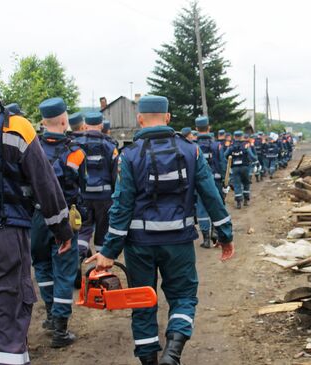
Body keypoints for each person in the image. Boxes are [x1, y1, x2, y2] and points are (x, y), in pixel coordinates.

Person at [86, 95, 235, 365]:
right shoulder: (192, 151)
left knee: (142, 302)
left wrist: (108, 251)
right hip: (178, 242)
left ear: (140, 119)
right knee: (184, 297)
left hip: (139, 245)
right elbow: (211, 196)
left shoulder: (129, 155)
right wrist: (225, 235)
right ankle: (173, 352)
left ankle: (150, 361)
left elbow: (121, 206)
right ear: (168, 118)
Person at [0, 53, 73, 365]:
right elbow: (45, 184)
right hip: (5, 236)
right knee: (10, 318)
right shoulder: (16, 127)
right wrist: (61, 229)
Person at [31, 97, 84, 348]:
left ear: (42, 121)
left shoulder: (31, 148)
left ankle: (51, 315)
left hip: (36, 217)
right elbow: (80, 187)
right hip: (63, 217)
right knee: (64, 270)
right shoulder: (76, 152)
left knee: (42, 266)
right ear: (64, 120)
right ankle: (61, 330)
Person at [75, 112, 118, 254]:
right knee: (102, 231)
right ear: (101, 125)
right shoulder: (110, 146)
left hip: (82, 197)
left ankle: (78, 260)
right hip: (104, 199)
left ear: (85, 126)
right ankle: (100, 269)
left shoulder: (75, 145)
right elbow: (115, 176)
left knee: (83, 230)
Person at [194, 115, 227, 248]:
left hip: (199, 182)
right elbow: (223, 164)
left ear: (196, 129)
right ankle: (216, 233)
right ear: (209, 128)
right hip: (216, 181)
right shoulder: (216, 145)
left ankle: (206, 239)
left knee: (201, 209)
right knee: (216, 206)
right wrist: (226, 182)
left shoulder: (192, 146)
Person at [223, 130, 256, 209]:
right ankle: (246, 200)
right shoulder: (246, 145)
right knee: (246, 183)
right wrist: (255, 160)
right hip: (245, 167)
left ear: (234, 137)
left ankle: (238, 201)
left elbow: (224, 155)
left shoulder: (231, 146)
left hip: (235, 168)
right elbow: (251, 156)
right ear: (242, 137)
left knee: (237, 184)